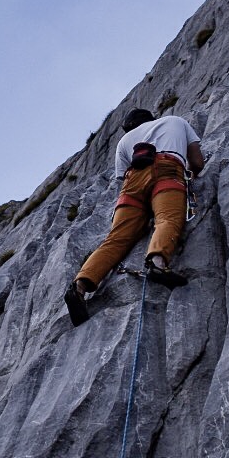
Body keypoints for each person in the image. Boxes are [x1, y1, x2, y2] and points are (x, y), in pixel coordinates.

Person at [65, 108, 205, 326]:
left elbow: (123, 180)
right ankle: (157, 262)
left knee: (116, 238)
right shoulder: (175, 121)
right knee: (167, 218)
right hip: (166, 171)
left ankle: (81, 284)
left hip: (131, 185)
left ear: (129, 127)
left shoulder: (124, 142)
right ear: (151, 119)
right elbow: (196, 161)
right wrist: (192, 175)